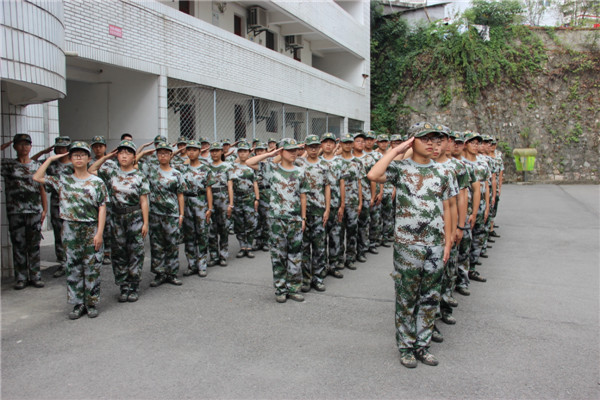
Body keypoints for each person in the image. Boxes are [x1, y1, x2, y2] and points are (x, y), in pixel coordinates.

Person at [368, 122, 454, 368]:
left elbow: (448, 207)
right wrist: (395, 151)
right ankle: (406, 347)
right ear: (411, 141)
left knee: (430, 297)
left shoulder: (444, 172)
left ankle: (422, 346)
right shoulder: (401, 168)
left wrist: (447, 242)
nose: (432, 144)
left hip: (435, 245)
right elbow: (374, 175)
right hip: (408, 246)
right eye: (425, 138)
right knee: (407, 298)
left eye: (436, 140)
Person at [33, 141, 108, 319]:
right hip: (70, 229)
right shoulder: (63, 180)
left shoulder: (97, 182)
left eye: (82, 155)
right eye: (75, 155)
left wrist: (99, 233)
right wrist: (51, 159)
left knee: (92, 267)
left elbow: (102, 208)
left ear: (89, 158)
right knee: (73, 267)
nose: (79, 158)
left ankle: (91, 303)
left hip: (90, 228)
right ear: (70, 158)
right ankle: (77, 303)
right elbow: (37, 177)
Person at [247, 138, 309, 303]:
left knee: (295, 255)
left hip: (295, 218)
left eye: (295, 150)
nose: (294, 153)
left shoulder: (300, 171)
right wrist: (271, 153)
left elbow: (303, 197)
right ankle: (280, 289)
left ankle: (294, 288)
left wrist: (303, 218)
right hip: (276, 220)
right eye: (289, 150)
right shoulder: (271, 169)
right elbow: (248, 162)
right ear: (281, 152)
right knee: (278, 255)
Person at [89, 140, 150, 302]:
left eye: (128, 153)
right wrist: (108, 156)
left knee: (135, 252)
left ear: (133, 157)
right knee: (119, 253)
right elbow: (92, 169)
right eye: (121, 153)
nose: (124, 156)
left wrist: (145, 222)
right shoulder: (112, 174)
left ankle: (134, 286)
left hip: (135, 217)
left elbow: (144, 201)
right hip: (116, 218)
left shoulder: (139, 176)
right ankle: (123, 286)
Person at [1, 134, 48, 289]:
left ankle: (35, 276)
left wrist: (45, 209)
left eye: (27, 144)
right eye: (20, 144)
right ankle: (21, 277)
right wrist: (3, 146)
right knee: (18, 244)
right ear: (14, 146)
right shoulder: (8, 165)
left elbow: (41, 188)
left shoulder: (36, 165)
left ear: (31, 146)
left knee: (34, 245)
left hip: (34, 211)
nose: (24, 147)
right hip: (16, 212)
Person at [137, 141, 186, 287]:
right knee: (157, 245)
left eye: (165, 153)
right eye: (160, 153)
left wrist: (181, 214)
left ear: (171, 155)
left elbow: (180, 195)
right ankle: (159, 273)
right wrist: (144, 151)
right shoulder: (150, 170)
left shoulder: (176, 173)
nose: (162, 156)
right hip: (155, 214)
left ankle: (172, 273)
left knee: (172, 244)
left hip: (171, 214)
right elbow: (135, 161)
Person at [32, 136, 72, 277]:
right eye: (59, 147)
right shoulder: (51, 165)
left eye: (64, 147)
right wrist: (45, 153)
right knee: (58, 235)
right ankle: (62, 263)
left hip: (72, 205)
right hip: (56, 204)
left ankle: (73, 263)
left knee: (72, 234)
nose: (61, 150)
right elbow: (32, 162)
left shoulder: (75, 164)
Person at [176, 140, 214, 278]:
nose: (191, 152)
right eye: (189, 150)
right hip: (186, 203)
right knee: (189, 235)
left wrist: (210, 208)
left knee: (202, 234)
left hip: (201, 202)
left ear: (199, 152)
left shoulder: (206, 169)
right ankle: (191, 264)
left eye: (194, 150)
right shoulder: (181, 169)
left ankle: (202, 264)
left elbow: (209, 190)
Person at [298, 135, 331, 292]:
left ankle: (318, 278)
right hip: (303, 211)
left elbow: (327, 187)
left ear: (320, 148)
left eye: (316, 146)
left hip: (318, 210)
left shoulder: (324, 165)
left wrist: (327, 208)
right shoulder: (299, 164)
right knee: (304, 246)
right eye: (310, 146)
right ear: (305, 148)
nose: (313, 149)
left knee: (318, 247)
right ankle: (305, 279)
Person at [319, 133, 345, 279]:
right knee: (321, 238)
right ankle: (321, 266)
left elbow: (342, 183)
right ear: (321, 145)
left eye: (331, 142)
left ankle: (333, 265)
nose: (328, 145)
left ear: (335, 145)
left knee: (335, 236)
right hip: (320, 204)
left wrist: (342, 204)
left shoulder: (339, 162)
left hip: (335, 205)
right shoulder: (317, 161)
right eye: (325, 142)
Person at [228, 141, 259, 258]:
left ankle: (249, 246)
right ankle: (242, 246)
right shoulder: (232, 167)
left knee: (251, 222)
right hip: (237, 198)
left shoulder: (251, 166)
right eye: (240, 151)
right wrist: (231, 203)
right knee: (239, 224)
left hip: (249, 198)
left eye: (245, 151)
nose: (242, 154)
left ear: (249, 153)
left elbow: (255, 183)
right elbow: (230, 186)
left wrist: (257, 198)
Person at [338, 133, 363, 271]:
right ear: (340, 144)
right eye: (345, 142)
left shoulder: (357, 162)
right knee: (339, 232)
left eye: (349, 142)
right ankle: (339, 259)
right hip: (339, 202)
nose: (347, 145)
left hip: (353, 201)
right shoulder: (336, 162)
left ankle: (350, 258)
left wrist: (360, 202)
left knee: (352, 231)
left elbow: (359, 183)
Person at [207, 142, 234, 266]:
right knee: (211, 228)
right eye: (212, 151)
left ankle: (223, 255)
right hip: (210, 197)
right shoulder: (207, 167)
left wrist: (231, 204)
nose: (214, 153)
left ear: (222, 152)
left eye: (217, 151)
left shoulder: (227, 166)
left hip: (223, 197)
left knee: (223, 227)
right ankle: (213, 255)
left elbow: (230, 186)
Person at [90, 135, 114, 265]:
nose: (98, 148)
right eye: (95, 146)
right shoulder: (89, 162)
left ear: (105, 147)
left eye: (100, 146)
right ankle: (96, 249)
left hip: (108, 200)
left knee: (108, 227)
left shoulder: (111, 163)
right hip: (93, 200)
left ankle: (107, 252)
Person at [352, 132, 376, 262]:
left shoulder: (369, 159)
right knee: (350, 227)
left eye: (362, 141)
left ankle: (361, 250)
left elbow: (373, 179)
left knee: (363, 225)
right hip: (351, 197)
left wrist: (372, 197)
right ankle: (350, 251)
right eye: (358, 141)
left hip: (365, 196)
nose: (361, 143)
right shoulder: (347, 158)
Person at [253, 142, 270, 252]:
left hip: (267, 191)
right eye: (257, 150)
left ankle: (266, 241)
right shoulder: (253, 164)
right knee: (257, 218)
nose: (259, 152)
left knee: (267, 218)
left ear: (265, 151)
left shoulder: (270, 164)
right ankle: (258, 241)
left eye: (261, 150)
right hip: (255, 192)